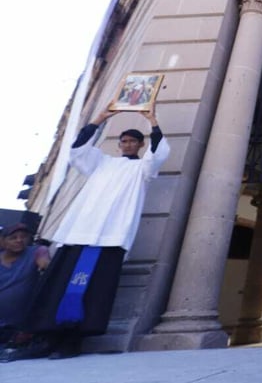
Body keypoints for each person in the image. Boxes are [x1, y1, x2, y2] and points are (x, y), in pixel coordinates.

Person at [27, 103, 169, 359]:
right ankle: (49, 338)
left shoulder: (142, 169)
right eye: (123, 141)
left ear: (139, 144)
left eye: (132, 141)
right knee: (59, 287)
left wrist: (153, 121)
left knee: (94, 291)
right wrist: (100, 118)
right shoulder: (101, 163)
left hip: (110, 236)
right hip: (80, 232)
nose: (126, 144)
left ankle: (73, 341)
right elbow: (78, 150)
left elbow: (158, 153)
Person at [1, 223, 51, 361]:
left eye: (23, 237)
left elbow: (44, 263)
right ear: (2, 241)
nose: (19, 240)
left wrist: (44, 262)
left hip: (21, 322)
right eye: (13, 237)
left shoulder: (36, 251)